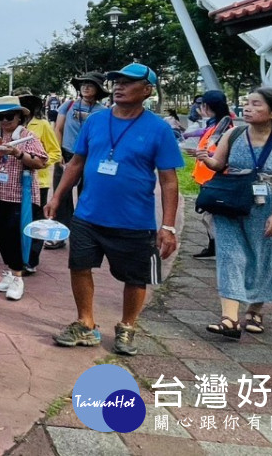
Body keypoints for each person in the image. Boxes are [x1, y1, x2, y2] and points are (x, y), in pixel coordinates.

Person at [44, 63, 183, 357]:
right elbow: (77, 163)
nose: (118, 86)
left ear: (146, 91)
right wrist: (57, 196)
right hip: (88, 215)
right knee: (79, 266)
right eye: (116, 80)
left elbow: (169, 182)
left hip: (134, 221)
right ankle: (85, 323)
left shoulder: (159, 129)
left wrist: (168, 226)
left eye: (128, 82)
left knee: (135, 278)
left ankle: (127, 327)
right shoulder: (95, 121)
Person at [195, 88, 272, 339]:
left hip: (265, 206)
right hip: (230, 202)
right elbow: (219, 165)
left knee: (262, 257)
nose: (248, 108)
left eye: (256, 105)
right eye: (247, 103)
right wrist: (205, 158)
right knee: (230, 255)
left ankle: (255, 310)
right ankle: (229, 319)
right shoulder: (234, 133)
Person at [0, 97, 48, 301]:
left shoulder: (27, 137)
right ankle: (10, 271)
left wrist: (17, 153)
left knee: (17, 236)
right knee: (3, 235)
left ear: (19, 116)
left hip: (19, 196)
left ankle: (17, 276)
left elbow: (41, 162)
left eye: (9, 116)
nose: (5, 120)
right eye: (0, 117)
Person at [50, 73, 109, 249]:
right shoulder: (68, 106)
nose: (85, 87)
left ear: (98, 89)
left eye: (90, 84)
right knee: (61, 196)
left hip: (90, 157)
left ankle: (84, 236)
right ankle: (59, 235)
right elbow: (58, 129)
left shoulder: (103, 112)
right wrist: (58, 151)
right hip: (66, 154)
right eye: (83, 84)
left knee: (88, 196)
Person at [15, 89, 63, 271]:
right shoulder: (11, 126)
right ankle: (17, 257)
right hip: (14, 181)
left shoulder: (42, 125)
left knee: (34, 221)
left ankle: (31, 259)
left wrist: (40, 163)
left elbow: (55, 152)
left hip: (37, 182)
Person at [185, 90, 235, 259]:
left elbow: (225, 154)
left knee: (213, 216)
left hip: (214, 177)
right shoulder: (217, 124)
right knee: (210, 215)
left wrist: (207, 156)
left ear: (206, 106)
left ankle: (220, 248)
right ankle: (213, 247)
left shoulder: (225, 127)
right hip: (208, 176)